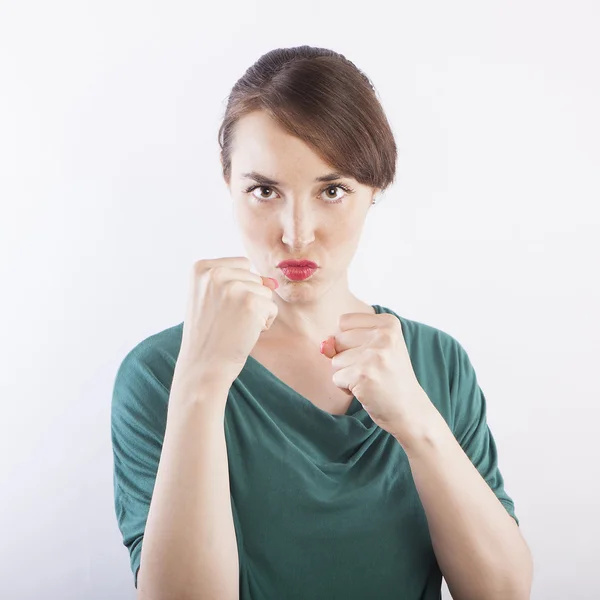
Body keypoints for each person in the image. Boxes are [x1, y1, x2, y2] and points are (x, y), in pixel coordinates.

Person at [111, 46, 531, 599]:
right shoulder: (160, 372)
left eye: (332, 191)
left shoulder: (437, 362)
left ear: (374, 190)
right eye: (264, 191)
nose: (297, 232)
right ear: (228, 185)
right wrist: (201, 385)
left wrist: (417, 423)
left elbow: (503, 592)